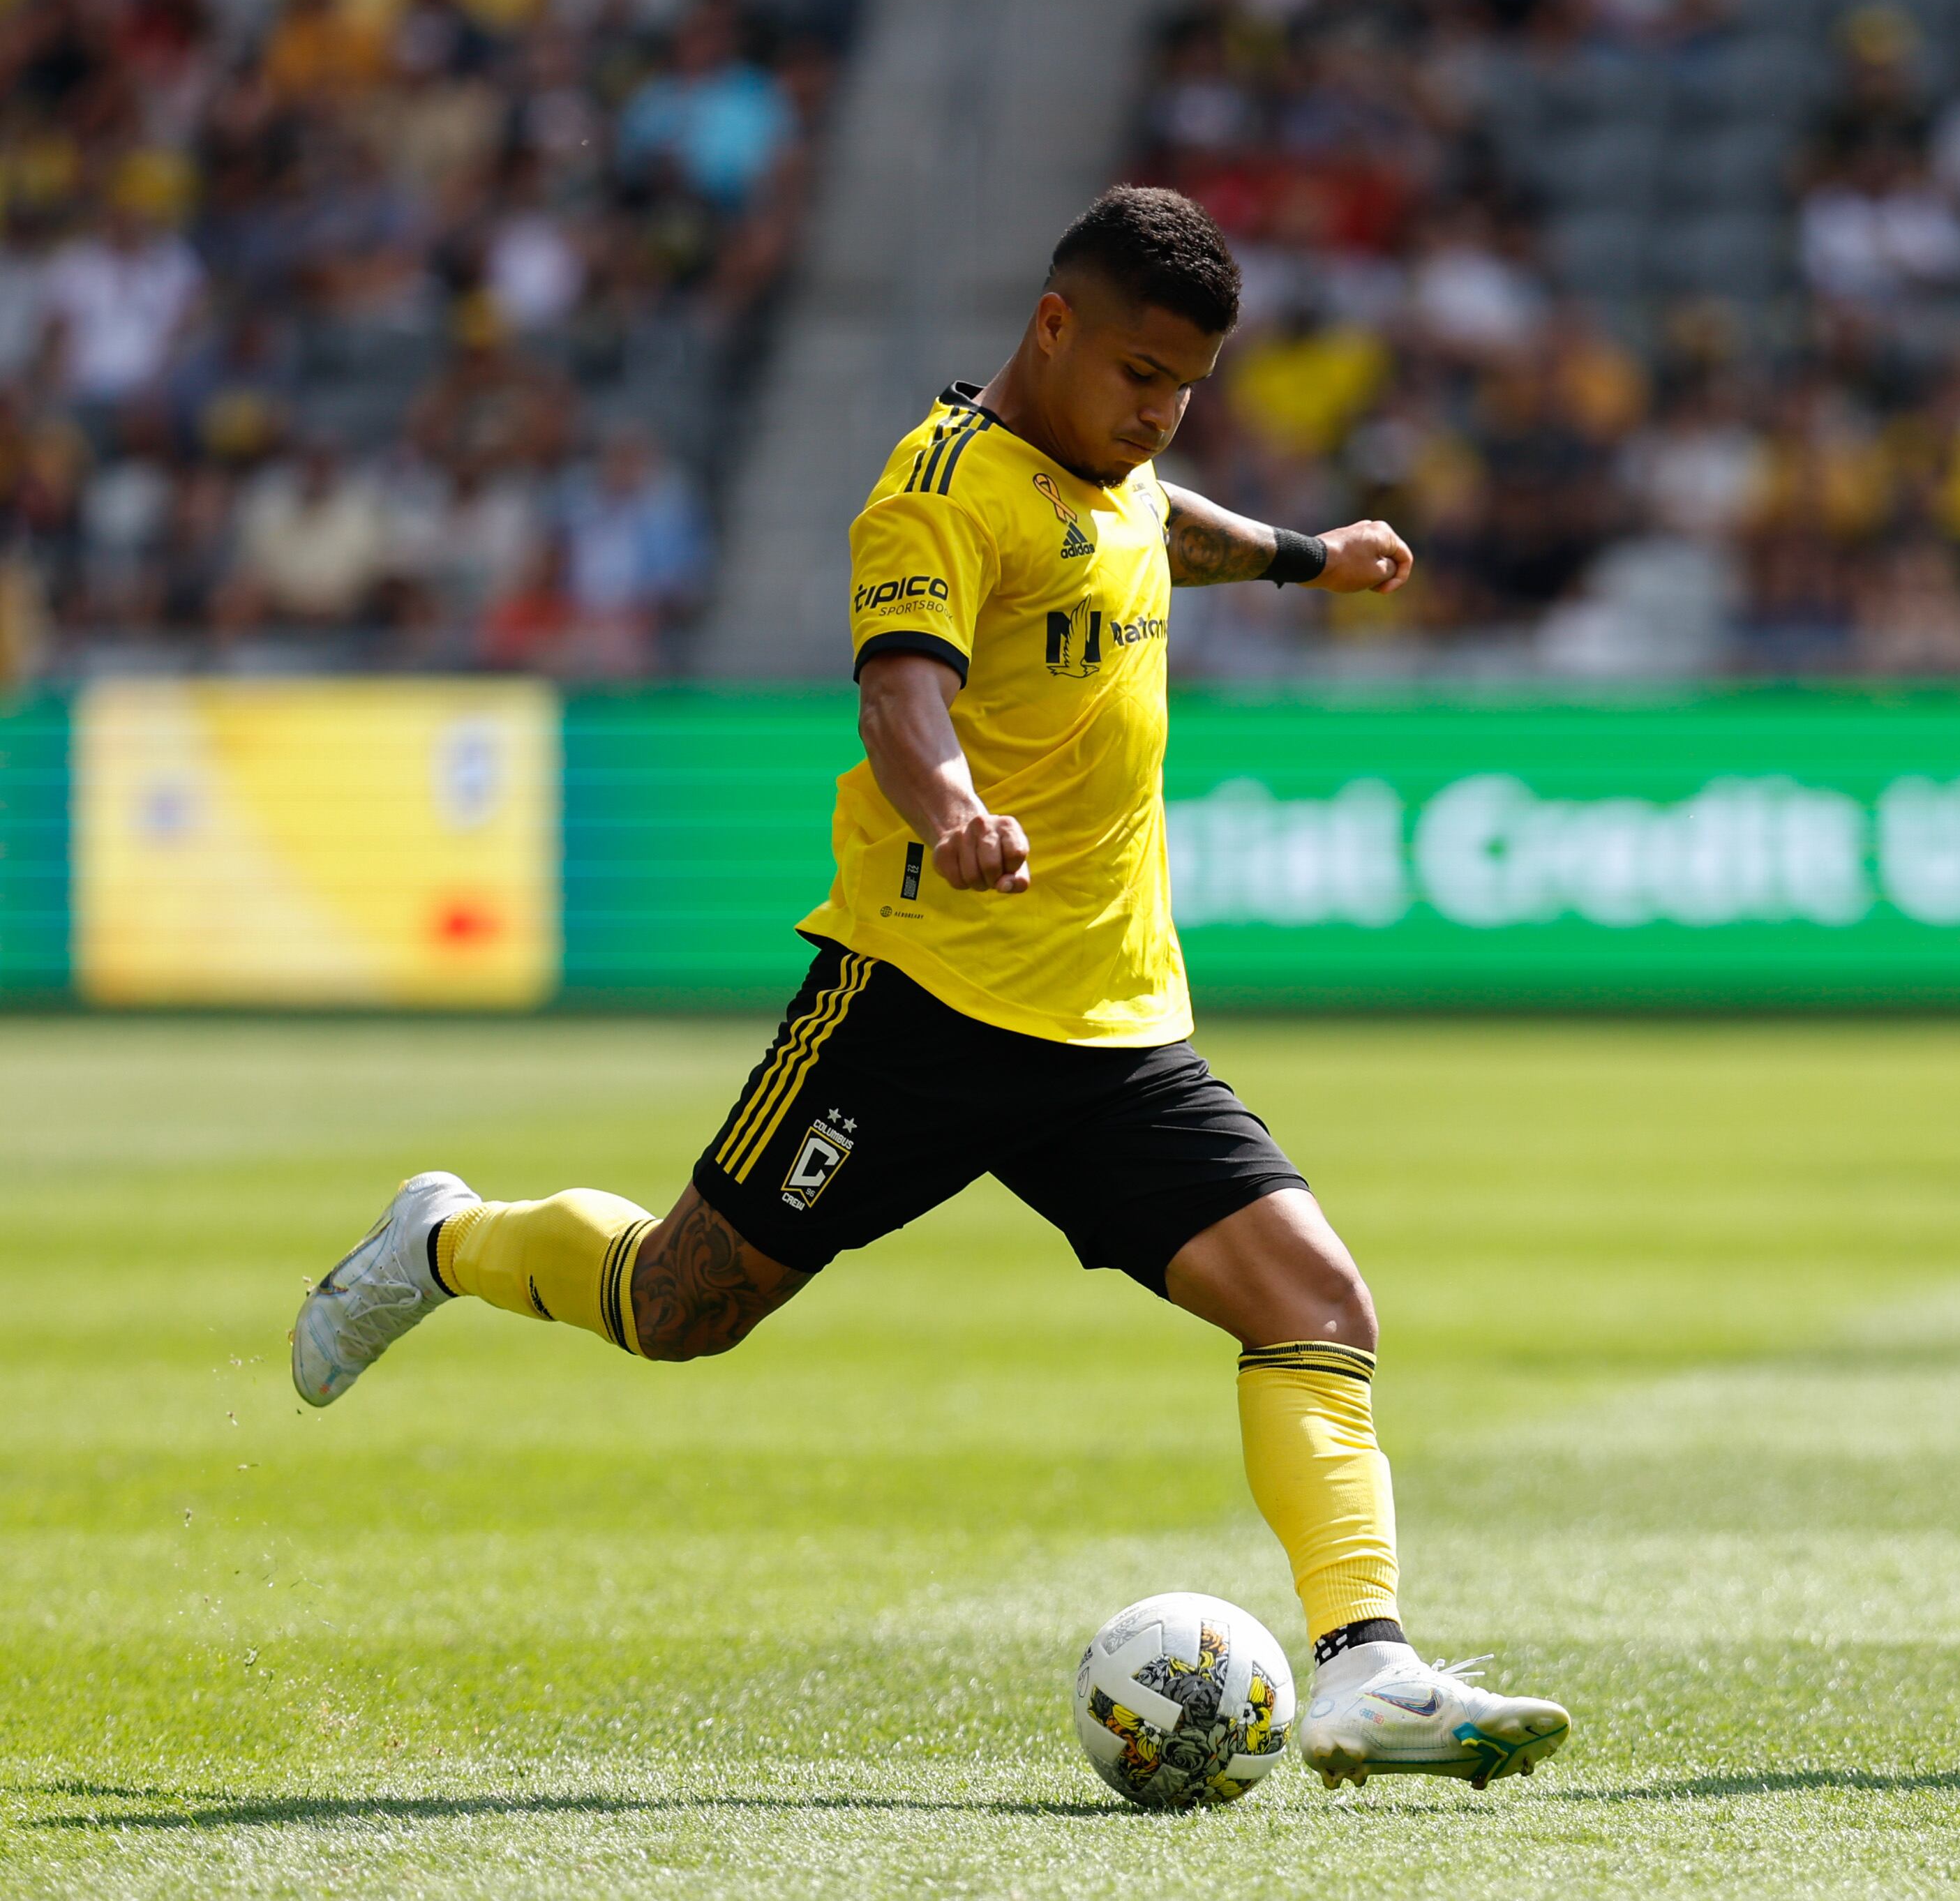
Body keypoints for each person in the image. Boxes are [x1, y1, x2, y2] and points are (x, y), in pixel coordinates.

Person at [287, 187, 1573, 1791]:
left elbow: (1155, 521)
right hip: (909, 1006)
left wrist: (1307, 554)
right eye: (1139, 376)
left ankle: (1363, 1668)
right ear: (1053, 328)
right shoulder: (936, 488)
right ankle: (443, 1237)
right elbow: (905, 687)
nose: (1159, 412)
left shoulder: (1112, 462)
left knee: (1318, 1305)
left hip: (1110, 1026)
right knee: (678, 1308)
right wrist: (952, 806)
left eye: (1184, 387)